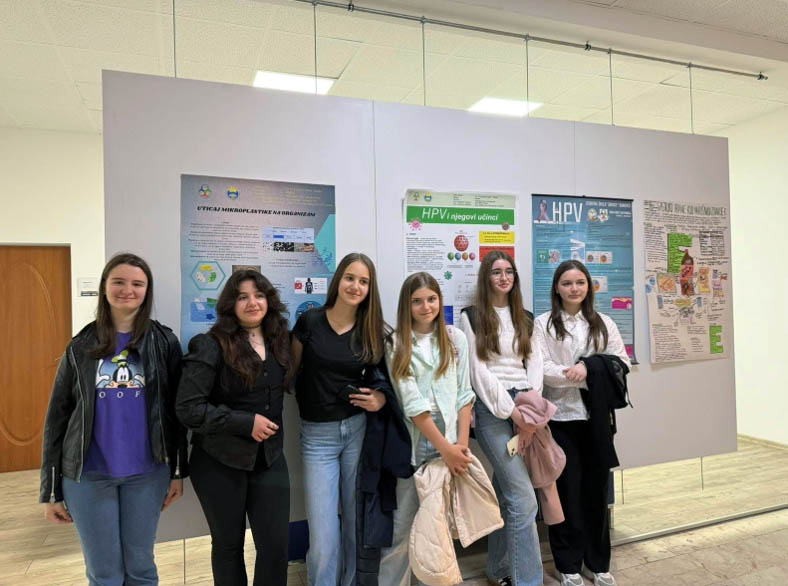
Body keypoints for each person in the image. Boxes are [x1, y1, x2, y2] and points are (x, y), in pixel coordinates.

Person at [40, 252, 186, 586]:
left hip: (147, 475)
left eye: (137, 284)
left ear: (147, 291)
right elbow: (57, 420)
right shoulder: (80, 346)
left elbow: (176, 415)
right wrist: (50, 490)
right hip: (88, 476)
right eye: (119, 282)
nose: (127, 290)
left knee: (141, 570)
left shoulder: (164, 342)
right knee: (104, 574)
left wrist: (178, 471)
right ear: (105, 287)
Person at [176, 269, 291, 586]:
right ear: (230, 304)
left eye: (259, 295)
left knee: (276, 548)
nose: (252, 302)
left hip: (269, 458)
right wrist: (245, 422)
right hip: (219, 461)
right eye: (242, 297)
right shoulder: (210, 345)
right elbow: (188, 409)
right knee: (228, 548)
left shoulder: (280, 341)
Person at [290, 252, 390, 586]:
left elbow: (385, 378)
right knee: (323, 536)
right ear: (338, 281)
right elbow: (290, 373)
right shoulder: (310, 322)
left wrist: (380, 398)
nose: (355, 286)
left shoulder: (372, 329)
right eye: (350, 278)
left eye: (364, 281)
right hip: (317, 437)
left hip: (357, 430)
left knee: (354, 524)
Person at [533, 260, 631, 586]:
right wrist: (575, 375)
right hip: (560, 419)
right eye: (567, 283)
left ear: (589, 286)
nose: (574, 288)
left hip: (597, 419)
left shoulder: (603, 322)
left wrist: (588, 368)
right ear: (557, 288)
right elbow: (541, 368)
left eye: (580, 282)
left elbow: (621, 362)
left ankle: (597, 562)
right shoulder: (543, 324)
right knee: (566, 493)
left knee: (596, 492)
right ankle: (569, 564)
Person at [379, 272, 475, 586]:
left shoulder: (455, 339)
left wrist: (460, 446)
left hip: (451, 440)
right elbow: (412, 403)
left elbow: (464, 394)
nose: (426, 307)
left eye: (431, 299)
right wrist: (447, 450)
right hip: (416, 440)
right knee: (403, 527)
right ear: (406, 306)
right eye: (417, 301)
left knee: (435, 531)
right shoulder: (396, 342)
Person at [458, 251, 544, 586]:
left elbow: (534, 364)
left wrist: (530, 413)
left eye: (509, 271)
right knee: (524, 499)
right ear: (486, 277)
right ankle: (529, 581)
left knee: (508, 495)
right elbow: (477, 372)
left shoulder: (526, 317)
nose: (504, 277)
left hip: (526, 405)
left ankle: (498, 569)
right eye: (496, 272)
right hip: (493, 412)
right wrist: (512, 412)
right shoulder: (471, 317)